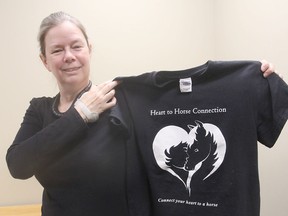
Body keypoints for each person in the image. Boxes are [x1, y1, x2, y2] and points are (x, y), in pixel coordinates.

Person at [5, 11, 277, 216]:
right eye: (57, 50)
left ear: (89, 49)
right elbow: (18, 165)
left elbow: (180, 93)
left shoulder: (120, 101)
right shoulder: (39, 110)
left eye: (76, 46)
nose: (69, 56)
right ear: (45, 60)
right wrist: (81, 114)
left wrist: (254, 78)